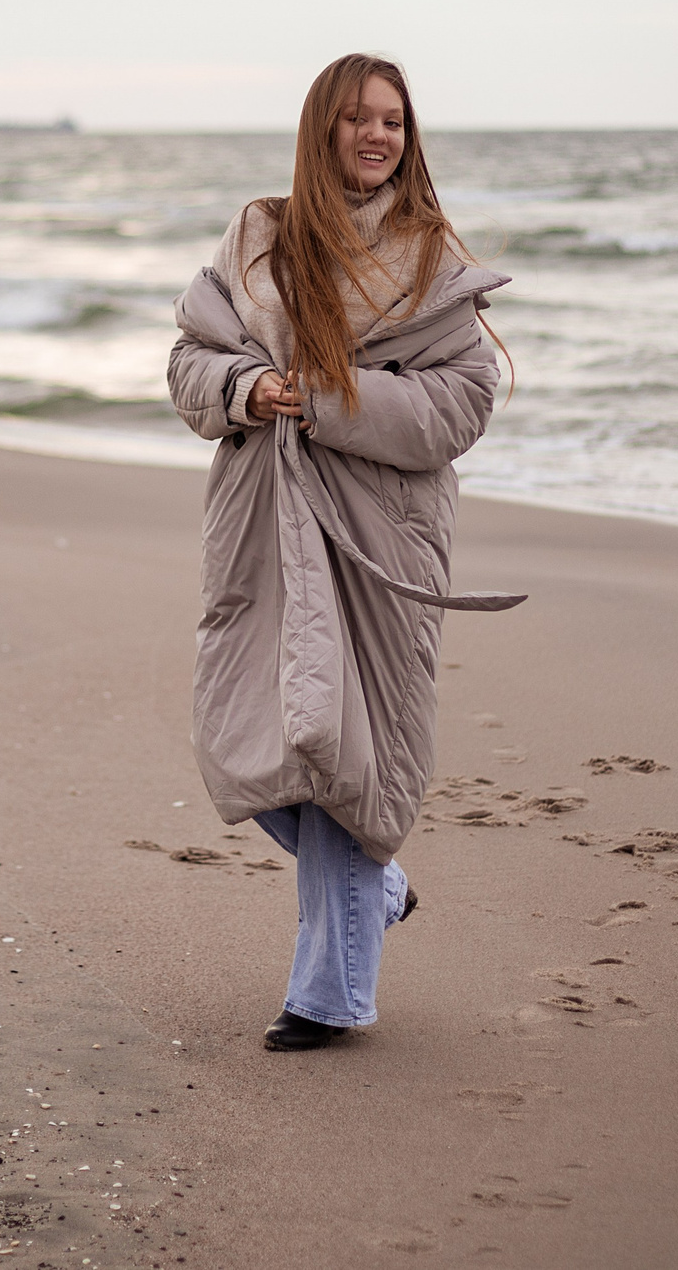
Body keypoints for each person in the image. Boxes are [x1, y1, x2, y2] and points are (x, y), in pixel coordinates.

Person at [167, 52, 524, 1052]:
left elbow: (459, 406)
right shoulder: (258, 238)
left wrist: (322, 398)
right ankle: (383, 889)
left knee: (348, 749)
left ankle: (328, 995)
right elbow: (190, 359)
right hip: (265, 524)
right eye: (358, 119)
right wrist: (246, 389)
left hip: (380, 536)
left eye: (395, 123)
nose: (377, 137)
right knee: (257, 737)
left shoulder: (428, 260)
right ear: (320, 128)